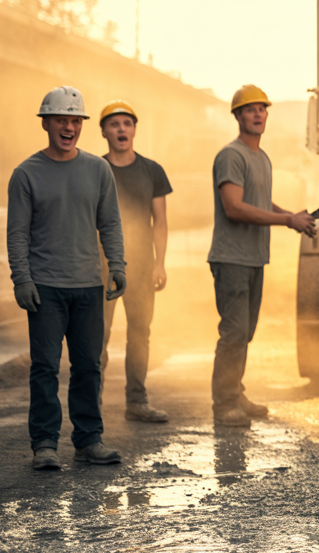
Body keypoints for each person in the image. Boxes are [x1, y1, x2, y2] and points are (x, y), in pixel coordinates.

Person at [8, 86, 126, 470]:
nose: (69, 127)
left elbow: (109, 222)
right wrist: (21, 280)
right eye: (61, 120)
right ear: (46, 122)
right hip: (45, 286)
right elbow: (17, 233)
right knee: (44, 367)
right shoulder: (26, 174)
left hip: (88, 284)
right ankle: (44, 443)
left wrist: (118, 265)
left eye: (75, 121)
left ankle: (88, 440)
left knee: (89, 365)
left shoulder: (98, 169)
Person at [208, 85, 316, 427]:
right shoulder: (232, 155)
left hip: (254, 258)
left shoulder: (262, 158)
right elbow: (235, 207)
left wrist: (292, 217)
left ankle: (235, 391)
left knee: (246, 332)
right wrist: (287, 220)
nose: (257, 114)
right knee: (234, 332)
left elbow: (257, 201)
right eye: (250, 109)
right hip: (232, 258)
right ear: (238, 116)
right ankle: (224, 403)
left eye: (262, 109)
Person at [95, 100, 173, 423]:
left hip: (141, 267)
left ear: (135, 130)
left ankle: (137, 401)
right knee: (97, 334)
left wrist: (160, 263)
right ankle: (92, 405)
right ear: (103, 132)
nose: (121, 129)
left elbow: (160, 220)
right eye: (114, 124)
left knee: (140, 332)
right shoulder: (94, 169)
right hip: (100, 266)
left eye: (127, 123)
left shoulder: (152, 170)